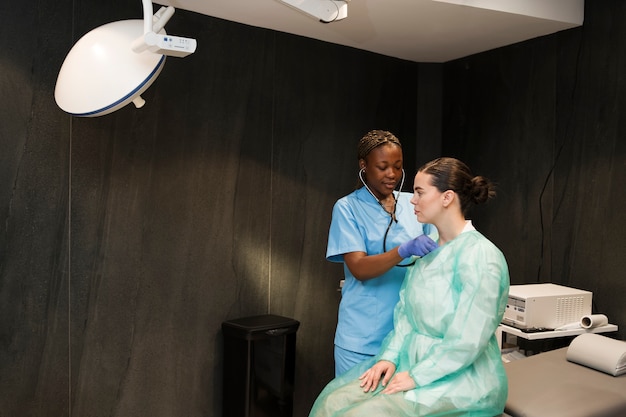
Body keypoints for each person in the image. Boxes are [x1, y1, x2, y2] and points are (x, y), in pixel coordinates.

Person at [311, 157, 510, 417]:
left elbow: (466, 340)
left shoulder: (481, 257)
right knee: (332, 404)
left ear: (447, 198)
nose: (411, 200)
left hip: (459, 377)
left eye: (419, 192)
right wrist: (389, 357)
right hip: (409, 361)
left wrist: (417, 376)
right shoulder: (426, 248)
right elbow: (405, 316)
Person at [327, 130, 438, 377]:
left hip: (407, 338)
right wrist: (403, 250)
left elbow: (442, 248)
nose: (392, 175)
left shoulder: (414, 204)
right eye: (383, 167)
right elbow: (359, 268)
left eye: (398, 167)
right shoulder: (348, 208)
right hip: (363, 339)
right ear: (363, 166)